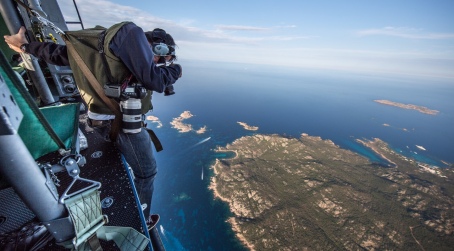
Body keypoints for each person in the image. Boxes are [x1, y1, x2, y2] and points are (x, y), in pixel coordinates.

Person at [4, 22, 182, 227]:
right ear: (158, 45)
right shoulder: (132, 33)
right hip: (122, 124)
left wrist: (26, 47)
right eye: (160, 56)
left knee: (127, 161)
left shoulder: (105, 46)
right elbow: (156, 81)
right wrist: (176, 70)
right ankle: (140, 222)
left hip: (101, 122)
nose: (156, 61)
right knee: (147, 172)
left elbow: (59, 54)